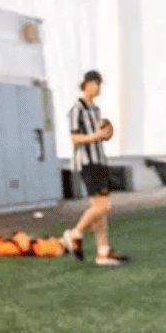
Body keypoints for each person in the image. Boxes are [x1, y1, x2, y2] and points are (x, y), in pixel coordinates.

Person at [62, 70, 129, 266]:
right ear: (87, 84)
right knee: (103, 206)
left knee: (100, 210)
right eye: (96, 83)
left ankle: (103, 251)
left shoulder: (96, 109)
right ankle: (75, 234)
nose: (98, 88)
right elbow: (75, 138)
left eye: (99, 84)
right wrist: (95, 136)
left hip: (99, 160)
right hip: (87, 162)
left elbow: (99, 134)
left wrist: (106, 133)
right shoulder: (77, 109)